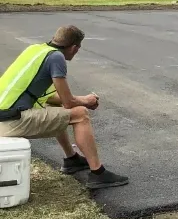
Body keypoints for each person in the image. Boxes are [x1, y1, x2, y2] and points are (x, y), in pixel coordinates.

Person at [0, 24, 128, 190]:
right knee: (80, 114)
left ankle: (72, 160)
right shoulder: (56, 58)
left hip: (6, 115)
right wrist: (87, 101)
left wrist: (80, 99)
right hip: (10, 122)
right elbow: (69, 102)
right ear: (74, 47)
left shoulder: (36, 50)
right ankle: (98, 173)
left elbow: (52, 98)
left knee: (55, 108)